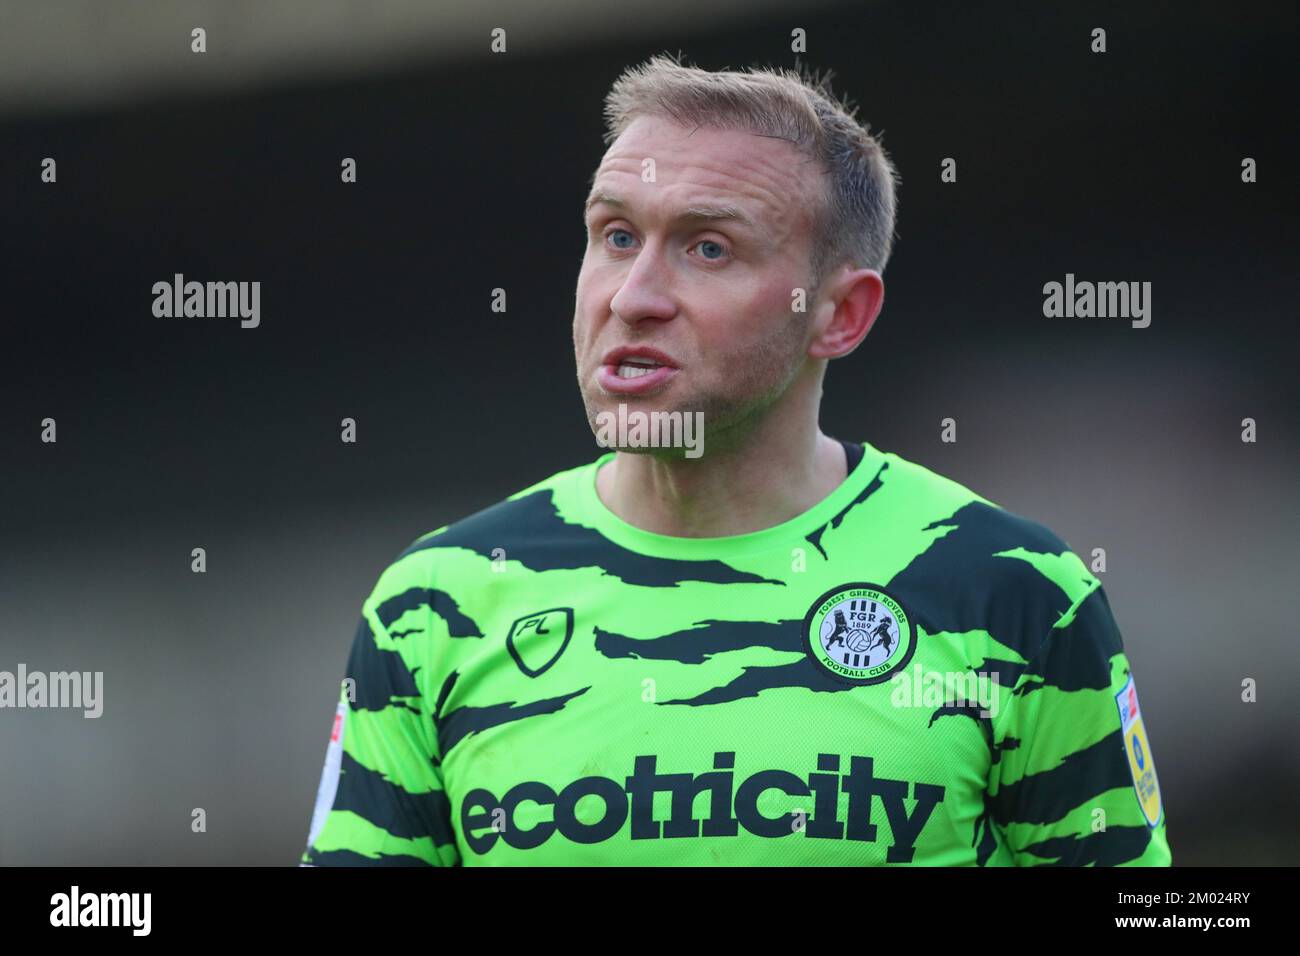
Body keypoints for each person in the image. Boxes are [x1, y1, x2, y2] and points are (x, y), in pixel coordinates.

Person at [301, 53, 1170, 866]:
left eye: (707, 248)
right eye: (614, 236)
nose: (633, 297)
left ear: (840, 316)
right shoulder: (436, 604)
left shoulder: (1014, 595)